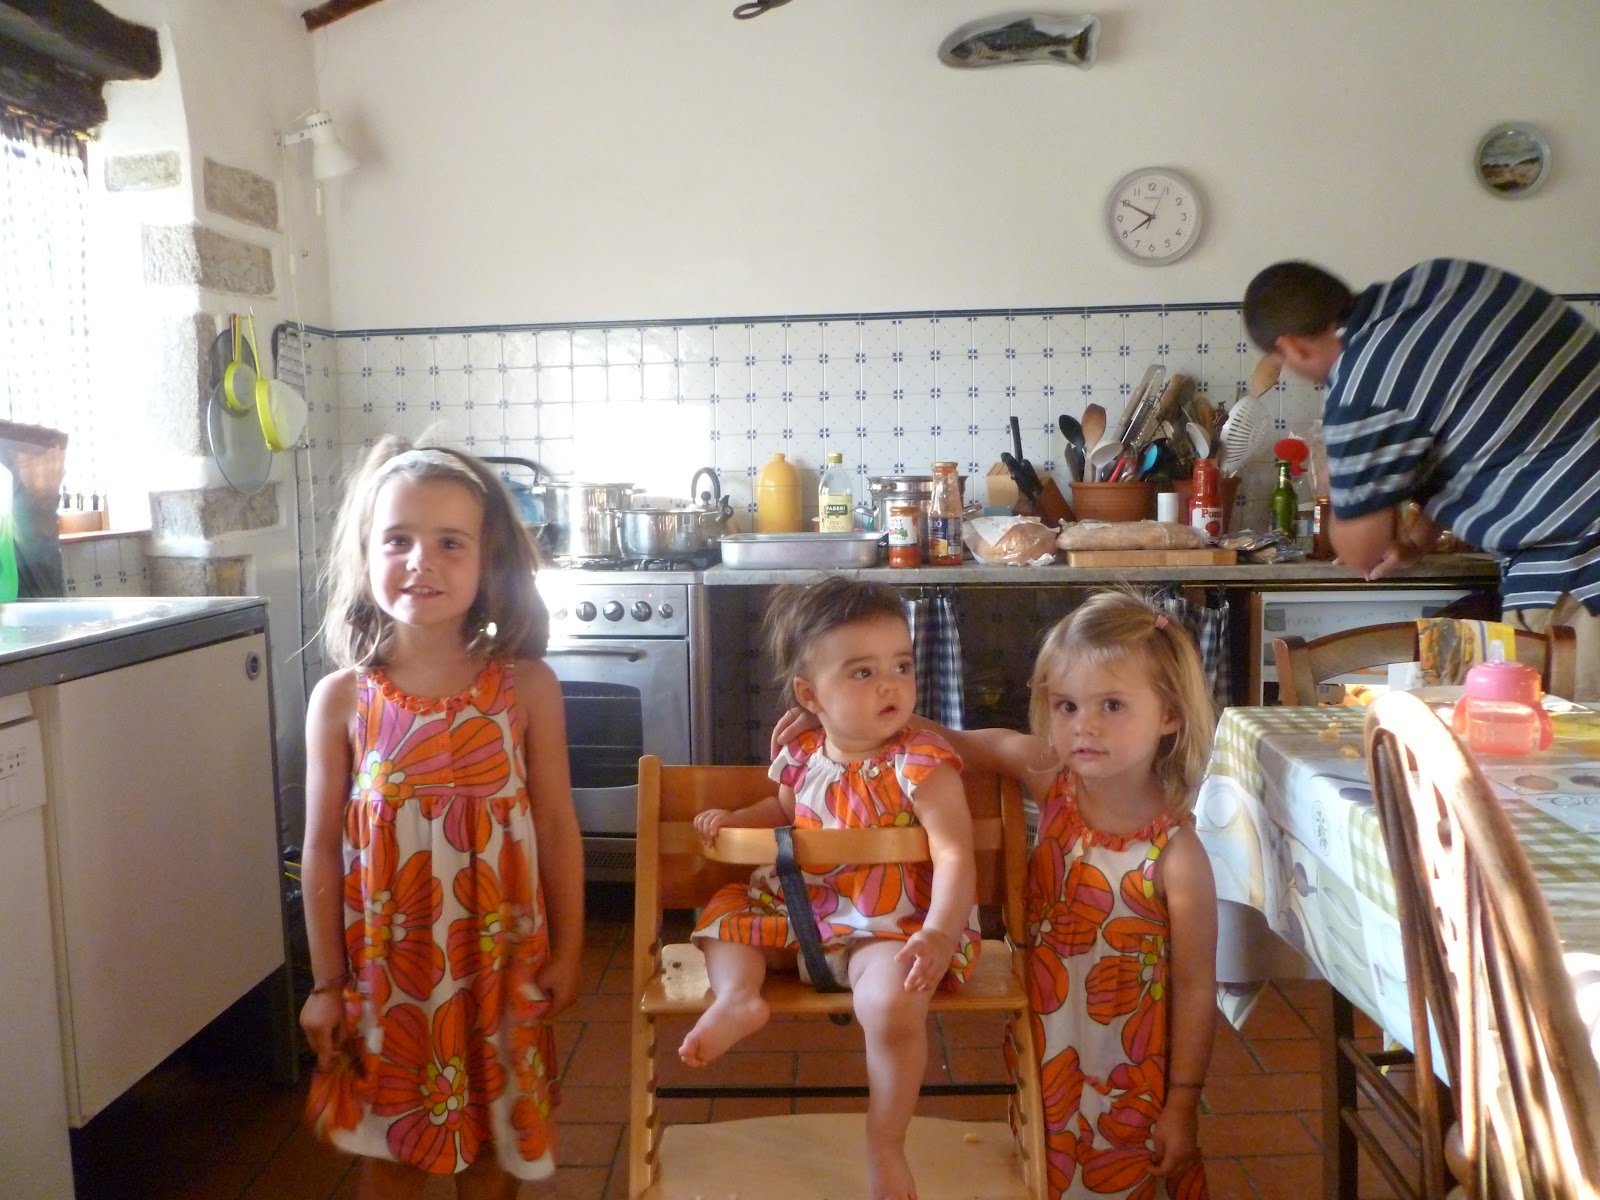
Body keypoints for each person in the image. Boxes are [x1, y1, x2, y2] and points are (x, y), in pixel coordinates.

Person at [777, 590, 1218, 1198]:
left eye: (1112, 705)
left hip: (1135, 1061)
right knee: (1044, 1166)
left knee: (1125, 1174)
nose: (1084, 726)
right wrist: (831, 716)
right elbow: (957, 741)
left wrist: (1184, 1101)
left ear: (1170, 714)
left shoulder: (1178, 855)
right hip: (1047, 1038)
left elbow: (1195, 987)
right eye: (1066, 705)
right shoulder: (1052, 779)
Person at [298, 437, 584, 1199]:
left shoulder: (527, 688)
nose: (421, 561)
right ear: (367, 554)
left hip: (500, 970)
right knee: (389, 1156)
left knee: (493, 1147)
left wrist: (569, 950)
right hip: (387, 979)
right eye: (398, 540)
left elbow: (557, 827)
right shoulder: (342, 700)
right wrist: (325, 983)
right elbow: (320, 850)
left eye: (450, 542)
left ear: (488, 562)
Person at [684, 575, 979, 1200]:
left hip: (890, 926)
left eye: (901, 665)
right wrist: (735, 821)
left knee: (892, 1004)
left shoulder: (923, 763)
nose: (891, 684)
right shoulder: (801, 756)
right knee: (724, 916)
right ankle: (738, 997)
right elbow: (783, 811)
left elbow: (955, 852)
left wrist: (938, 933)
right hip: (801, 912)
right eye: (863, 672)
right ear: (809, 695)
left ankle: (885, 1140)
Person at [1243, 258, 1600, 698]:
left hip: (1580, 567)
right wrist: (1416, 540)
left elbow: (1362, 551)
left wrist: (1336, 480)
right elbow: (1475, 434)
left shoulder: (1363, 386)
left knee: (1575, 736)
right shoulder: (1444, 281)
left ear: (1293, 348)